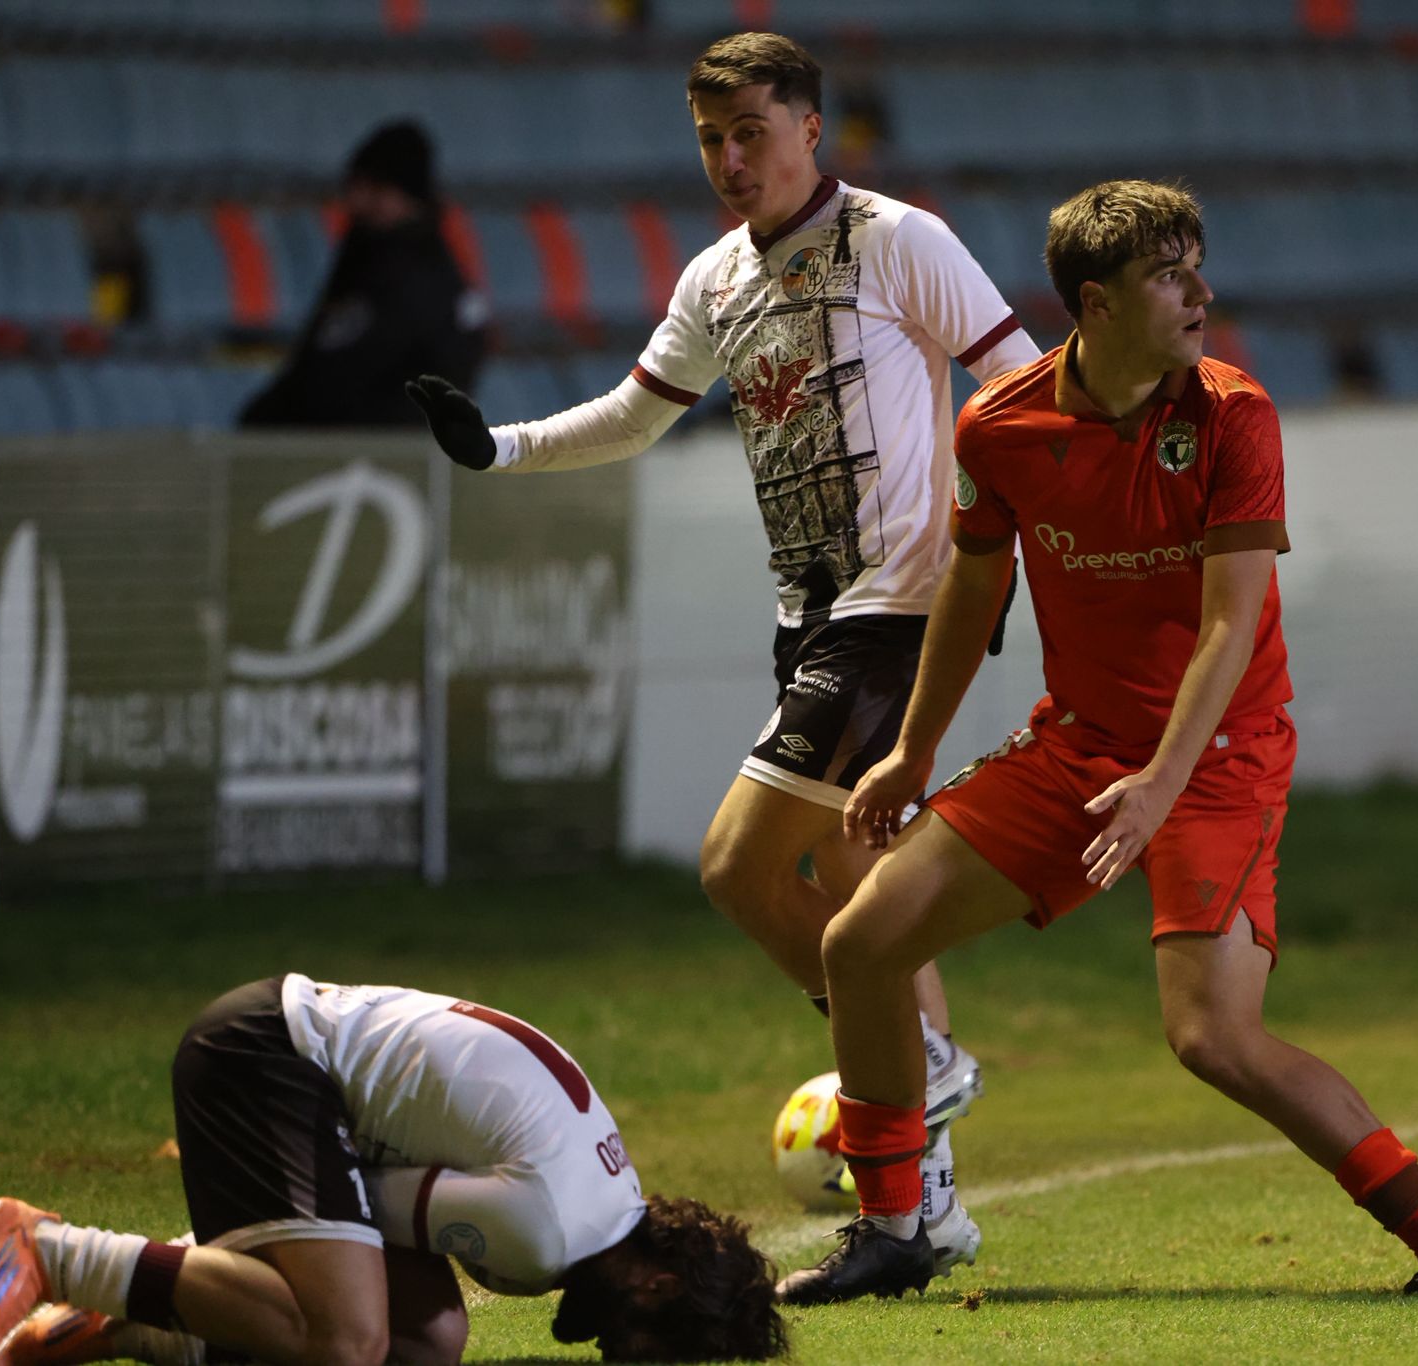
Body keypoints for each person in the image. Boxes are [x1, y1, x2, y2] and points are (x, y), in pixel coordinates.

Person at [774, 181, 1418, 1304]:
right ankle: (893, 1230)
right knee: (862, 939)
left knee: (1210, 1036)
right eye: (1171, 275)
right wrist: (912, 753)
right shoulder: (998, 427)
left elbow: (1230, 622)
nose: (1201, 293)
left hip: (1217, 753)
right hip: (1080, 746)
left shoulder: (1231, 414)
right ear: (1097, 301)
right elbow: (970, 594)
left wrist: (1158, 784)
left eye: (1196, 266)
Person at [406, 32, 1037, 1276]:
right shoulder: (714, 278)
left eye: (752, 131)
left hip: (899, 606)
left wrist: (992, 545)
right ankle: (918, 1220)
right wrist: (503, 450)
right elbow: (638, 412)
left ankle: (919, 1073)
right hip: (812, 615)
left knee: (738, 865)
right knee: (873, 900)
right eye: (709, 138)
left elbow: (1017, 383)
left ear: (813, 126)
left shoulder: (897, 240)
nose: (730, 159)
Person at [0, 974, 785, 1365]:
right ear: (660, 1287)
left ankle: (103, 1323)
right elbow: (364, 1206)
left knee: (426, 1346)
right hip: (267, 1057)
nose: (616, 1355)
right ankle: (43, 1248)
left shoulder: (605, 1195)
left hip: (297, 1066)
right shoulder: (547, 1235)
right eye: (654, 1351)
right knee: (346, 1339)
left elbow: (369, 1203)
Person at [239, 120, 486, 428]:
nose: (356, 200)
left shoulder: (421, 281)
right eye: (356, 185)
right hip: (344, 448)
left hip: (372, 455)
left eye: (373, 187)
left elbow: (340, 374)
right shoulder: (367, 253)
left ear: (404, 196)